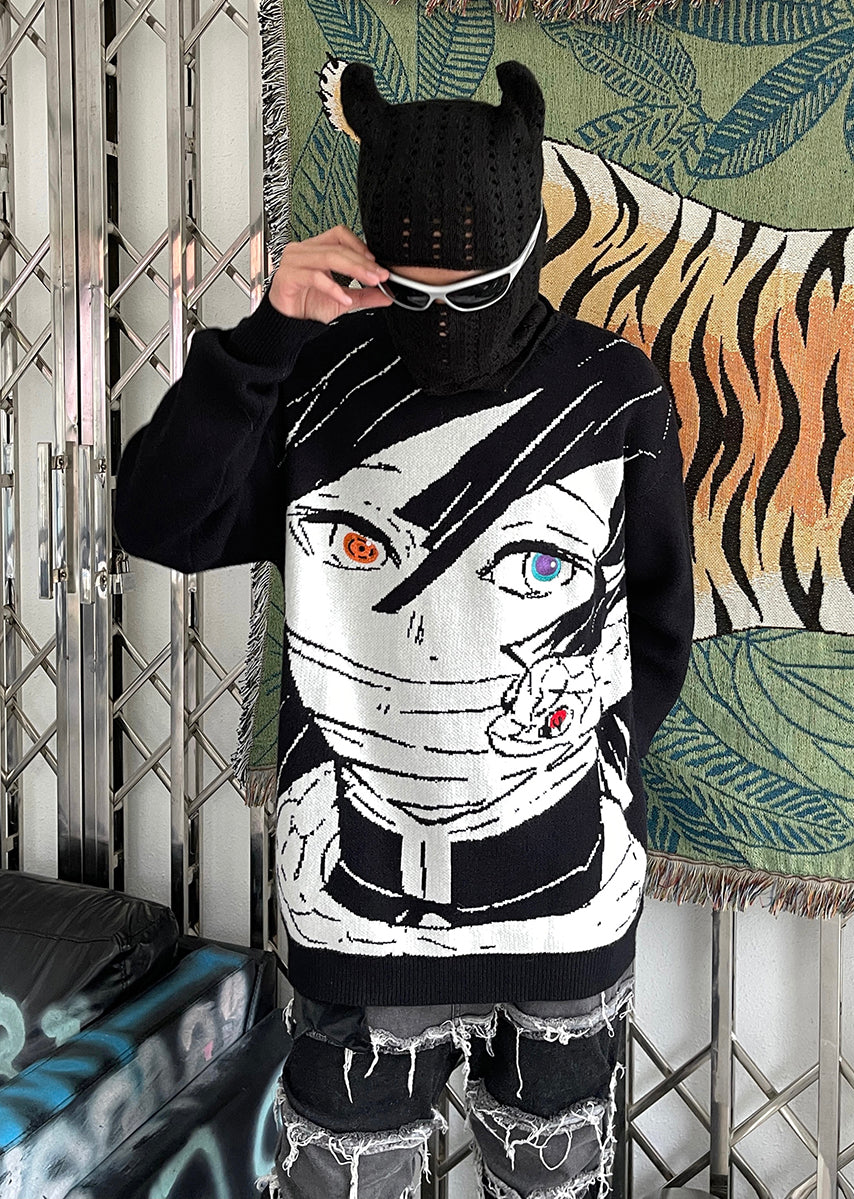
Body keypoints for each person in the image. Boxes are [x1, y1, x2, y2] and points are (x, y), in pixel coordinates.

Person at [114, 59, 694, 1199]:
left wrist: (595, 762)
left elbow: (659, 619)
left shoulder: (612, 391)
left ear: (526, 246)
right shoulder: (315, 378)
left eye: (473, 287)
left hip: (567, 908)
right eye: (413, 290)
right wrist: (265, 337)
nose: (445, 321)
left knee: (556, 1176)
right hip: (355, 919)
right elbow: (161, 520)